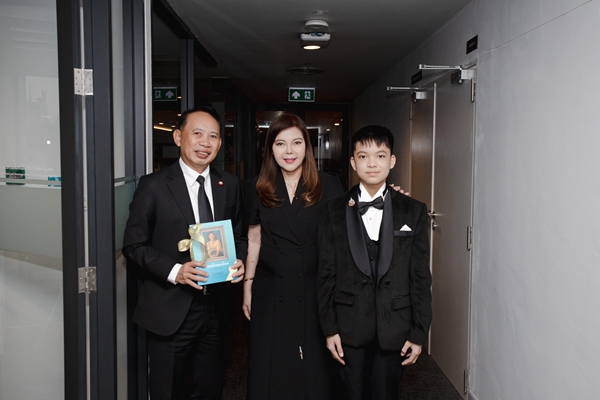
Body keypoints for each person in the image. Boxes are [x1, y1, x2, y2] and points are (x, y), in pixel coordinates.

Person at [122, 106, 247, 400]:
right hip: (171, 309)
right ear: (178, 137)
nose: (205, 142)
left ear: (220, 143)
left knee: (210, 388)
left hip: (217, 308)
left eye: (213, 136)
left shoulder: (229, 185)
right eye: (197, 133)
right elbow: (133, 245)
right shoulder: (153, 186)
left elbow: (238, 234)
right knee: (168, 391)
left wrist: (239, 259)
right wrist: (176, 271)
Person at [317, 125, 432, 400]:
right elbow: (325, 274)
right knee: (350, 393)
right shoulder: (333, 210)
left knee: (386, 393)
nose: (372, 163)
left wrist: (418, 333)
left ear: (392, 161)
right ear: (353, 162)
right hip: (348, 325)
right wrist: (329, 329)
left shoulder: (413, 210)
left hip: (395, 326)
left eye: (380, 156)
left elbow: (420, 277)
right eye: (363, 156)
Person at [243, 113, 344, 400]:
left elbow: (344, 237)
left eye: (297, 142)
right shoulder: (255, 186)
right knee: (271, 362)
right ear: (270, 149)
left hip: (315, 287)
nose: (289, 151)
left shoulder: (329, 184)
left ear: (307, 147)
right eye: (280, 143)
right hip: (270, 288)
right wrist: (248, 285)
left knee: (314, 366)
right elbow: (254, 239)